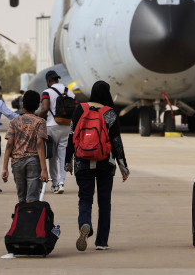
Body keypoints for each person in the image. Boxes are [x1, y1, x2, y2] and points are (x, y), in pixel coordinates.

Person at [65, 80, 129, 251]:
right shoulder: (110, 113)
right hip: (105, 163)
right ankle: (101, 242)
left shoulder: (80, 109)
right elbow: (117, 142)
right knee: (104, 202)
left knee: (85, 198)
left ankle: (85, 223)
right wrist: (123, 166)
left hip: (82, 161)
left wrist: (67, 161)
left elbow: (71, 136)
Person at [1, 90, 48, 202]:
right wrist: (44, 169)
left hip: (16, 163)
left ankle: (22, 218)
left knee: (21, 198)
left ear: (23, 105)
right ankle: (31, 218)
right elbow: (40, 143)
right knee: (32, 197)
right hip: (33, 161)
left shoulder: (14, 122)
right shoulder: (40, 122)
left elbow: (9, 145)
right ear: (37, 106)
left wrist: (4, 168)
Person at [37, 69, 75, 194]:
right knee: (63, 156)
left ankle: (54, 184)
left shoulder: (46, 92)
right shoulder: (69, 91)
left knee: (52, 157)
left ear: (48, 81)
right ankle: (62, 182)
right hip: (66, 126)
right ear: (57, 79)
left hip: (51, 127)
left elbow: (45, 108)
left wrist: (36, 117)